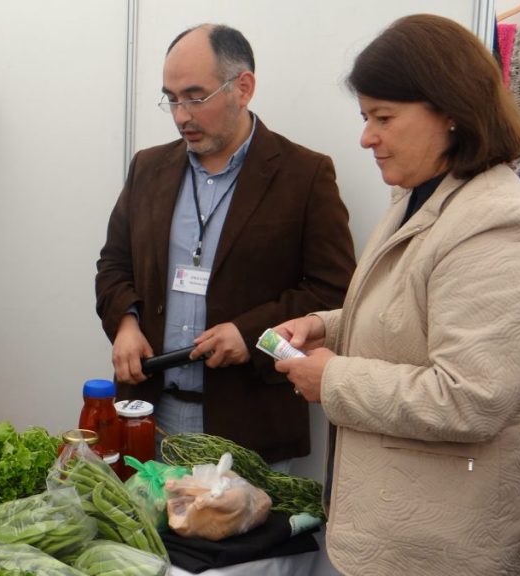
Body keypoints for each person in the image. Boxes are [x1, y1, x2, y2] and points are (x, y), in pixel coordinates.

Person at [272, 14, 520, 575]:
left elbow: (469, 397)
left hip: (453, 548)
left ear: (451, 111)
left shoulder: (500, 224)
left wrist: (332, 378)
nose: (366, 137)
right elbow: (413, 315)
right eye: (364, 117)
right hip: (404, 530)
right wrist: (325, 326)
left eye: (382, 117)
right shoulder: (419, 197)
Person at [95, 24, 356, 467]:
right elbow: (114, 263)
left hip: (249, 427)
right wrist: (126, 322)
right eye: (171, 98)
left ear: (243, 87)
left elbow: (334, 291)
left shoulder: (303, 175)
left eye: (195, 97)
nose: (181, 116)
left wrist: (251, 333)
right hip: (149, 417)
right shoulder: (149, 168)